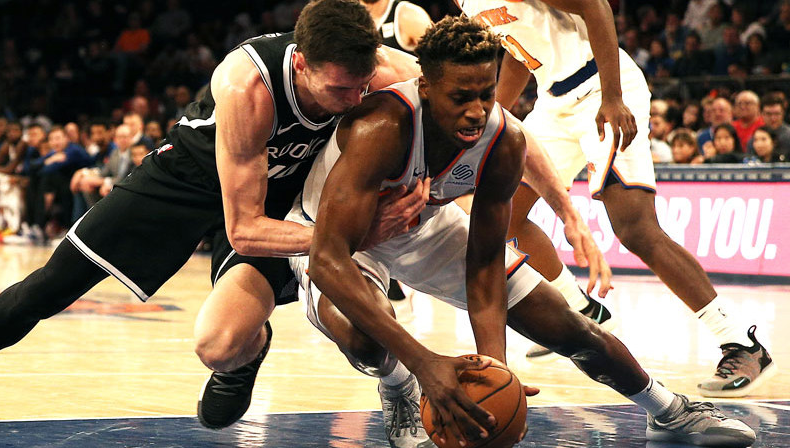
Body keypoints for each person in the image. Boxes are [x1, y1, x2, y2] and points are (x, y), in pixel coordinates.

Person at [289, 16, 756, 448]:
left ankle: (668, 411)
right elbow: (328, 258)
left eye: (487, 95)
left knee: (566, 325)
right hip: (338, 237)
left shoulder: (503, 141)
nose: (477, 111)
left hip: (422, 225)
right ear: (426, 87)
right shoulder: (381, 128)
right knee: (364, 337)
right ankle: (398, 388)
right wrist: (421, 363)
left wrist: (496, 368)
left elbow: (486, 258)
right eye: (461, 98)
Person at [0, 0, 423, 430]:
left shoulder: (383, 69)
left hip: (277, 199)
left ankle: (245, 354)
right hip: (188, 178)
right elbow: (244, 231)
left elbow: (453, 87)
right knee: (46, 289)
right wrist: (353, 235)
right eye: (339, 90)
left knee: (218, 345)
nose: (353, 101)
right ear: (301, 65)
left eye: (362, 87)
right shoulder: (247, 82)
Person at [457, 0, 775, 396]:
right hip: (553, 103)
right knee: (501, 215)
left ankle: (741, 344)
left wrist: (612, 95)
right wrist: (496, 116)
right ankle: (581, 309)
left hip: (599, 87)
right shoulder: (465, 3)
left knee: (635, 228)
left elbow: (596, 7)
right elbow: (520, 47)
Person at [359, 0, 433, 303]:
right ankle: (376, 272)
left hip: (412, 127)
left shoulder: (407, 15)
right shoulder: (348, 14)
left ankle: (476, 262)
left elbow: (443, 64)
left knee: (439, 199)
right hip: (368, 129)